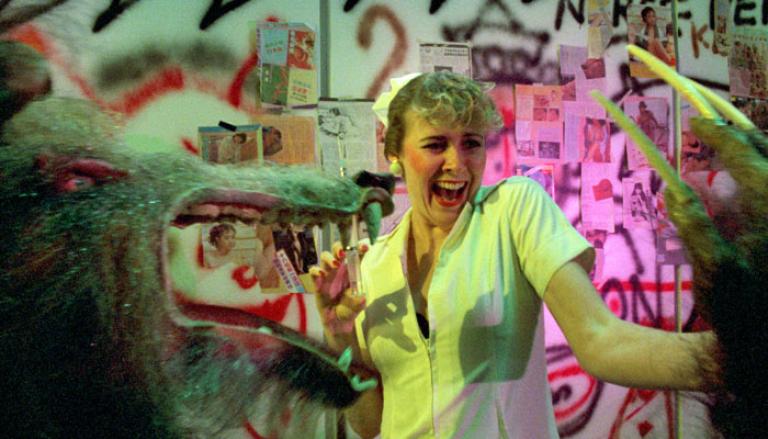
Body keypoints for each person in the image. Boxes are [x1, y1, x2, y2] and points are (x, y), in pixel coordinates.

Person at [311, 72, 716, 438]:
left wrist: (730, 355)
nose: (457, 163)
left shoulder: (514, 210)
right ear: (395, 154)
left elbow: (600, 339)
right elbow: (370, 425)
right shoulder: (373, 265)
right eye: (436, 144)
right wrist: (341, 339)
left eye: (471, 143)